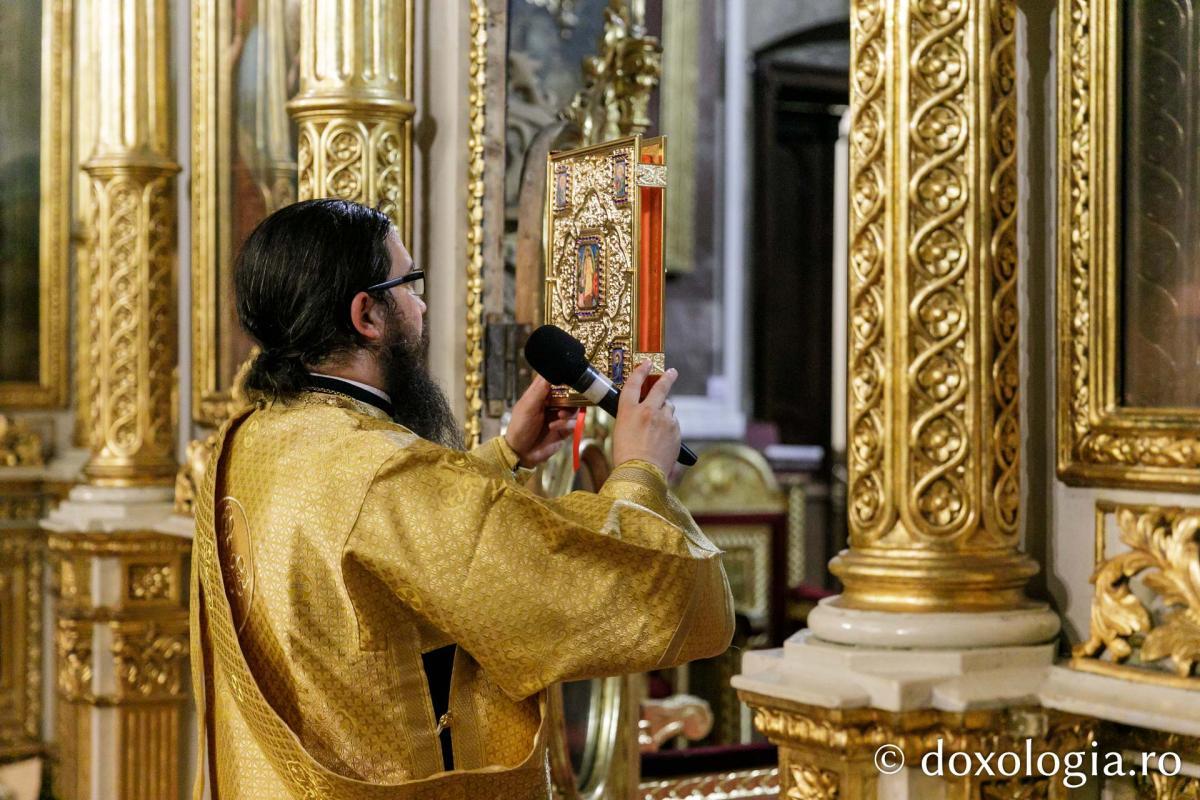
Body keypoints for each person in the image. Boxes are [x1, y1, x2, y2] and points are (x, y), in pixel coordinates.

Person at [190, 198, 734, 799]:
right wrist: (639, 473)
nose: (421, 305)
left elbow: (365, 539)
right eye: (410, 283)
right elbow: (597, 596)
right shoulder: (381, 470)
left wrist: (506, 456)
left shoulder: (247, 438)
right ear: (367, 315)